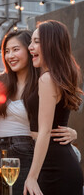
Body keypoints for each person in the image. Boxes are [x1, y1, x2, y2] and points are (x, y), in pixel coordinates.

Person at [0, 30, 77, 195]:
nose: (10, 56)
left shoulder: (41, 84)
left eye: (15, 49)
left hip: (23, 152)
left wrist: (72, 132)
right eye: (6, 51)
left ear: (29, 50)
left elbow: (47, 123)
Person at [24, 20, 83, 195]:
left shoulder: (47, 79)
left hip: (53, 166)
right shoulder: (55, 77)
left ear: (51, 44)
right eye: (30, 41)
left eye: (36, 42)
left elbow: (44, 131)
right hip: (56, 162)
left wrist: (32, 177)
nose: (30, 47)